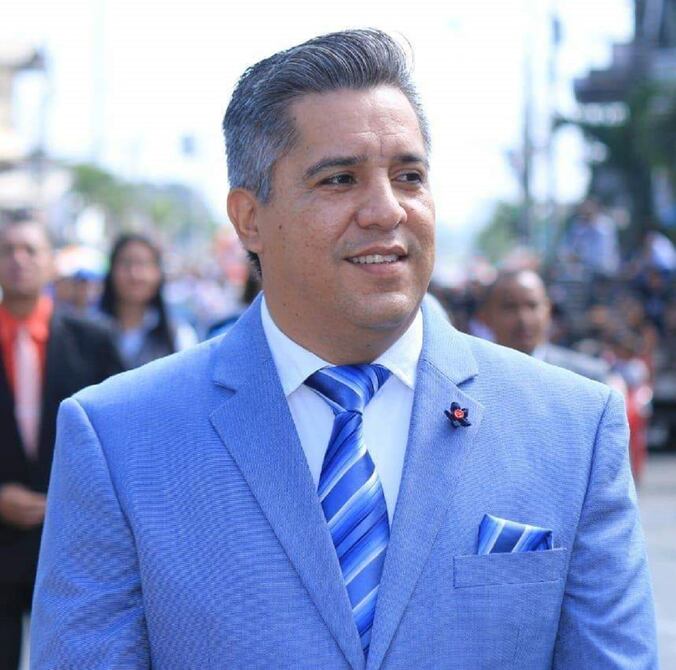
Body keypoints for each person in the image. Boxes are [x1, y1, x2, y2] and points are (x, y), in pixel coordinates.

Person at [31, 30, 657, 668]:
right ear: (249, 219)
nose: (386, 210)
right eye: (339, 179)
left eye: (408, 176)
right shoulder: (118, 437)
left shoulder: (573, 427)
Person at [0, 218, 123, 670]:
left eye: (30, 250)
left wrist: (71, 495)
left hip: (75, 540)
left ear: (52, 262)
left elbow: (119, 432)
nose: (18, 260)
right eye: (7, 250)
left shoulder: (93, 338)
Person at [483, 269, 613, 382]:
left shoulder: (586, 378)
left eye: (532, 306)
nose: (524, 319)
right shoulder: (475, 379)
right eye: (509, 307)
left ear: (548, 310)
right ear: (487, 316)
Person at [99, 233, 198, 369]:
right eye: (126, 264)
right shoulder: (89, 330)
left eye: (144, 264)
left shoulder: (178, 335)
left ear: (159, 273)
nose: (134, 274)